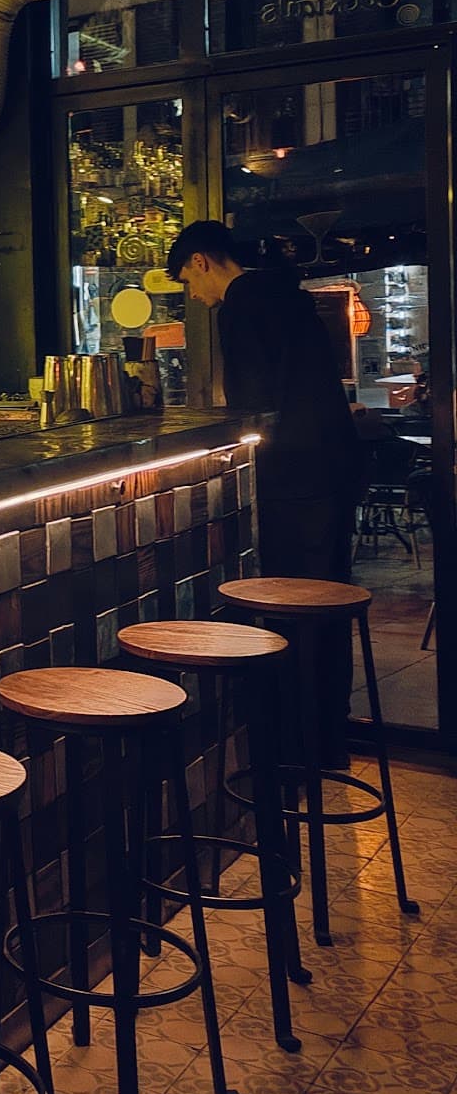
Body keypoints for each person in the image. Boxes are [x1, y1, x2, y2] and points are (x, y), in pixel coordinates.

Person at [166, 220, 365, 765]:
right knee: (325, 606)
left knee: (291, 608)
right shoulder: (288, 296)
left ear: (203, 262)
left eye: (187, 280)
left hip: (293, 479)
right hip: (331, 470)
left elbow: (253, 405)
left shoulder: (241, 306)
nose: (196, 296)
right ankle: (326, 739)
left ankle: (291, 748)